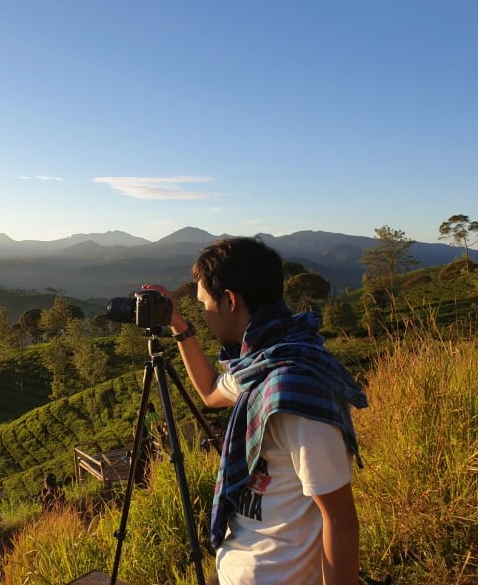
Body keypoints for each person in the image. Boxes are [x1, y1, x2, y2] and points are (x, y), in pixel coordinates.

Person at [143, 237, 367, 585]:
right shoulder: (261, 364)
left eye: (204, 305)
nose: (203, 317)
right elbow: (210, 392)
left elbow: (340, 519)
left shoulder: (296, 394)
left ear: (230, 301)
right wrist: (178, 325)